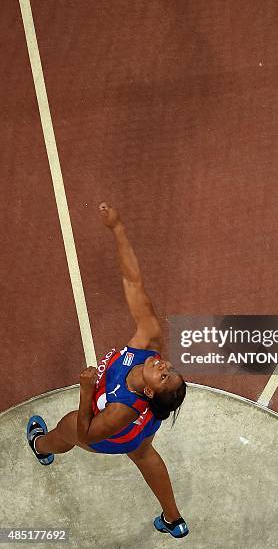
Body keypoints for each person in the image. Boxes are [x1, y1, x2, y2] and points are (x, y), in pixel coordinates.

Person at [26, 203, 189, 539]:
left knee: (68, 428)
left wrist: (87, 389)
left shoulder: (120, 409)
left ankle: (40, 447)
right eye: (169, 368)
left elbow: (89, 434)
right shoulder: (150, 340)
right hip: (145, 425)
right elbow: (134, 282)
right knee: (144, 453)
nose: (162, 363)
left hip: (114, 433)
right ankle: (173, 520)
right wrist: (118, 229)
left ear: (148, 392)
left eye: (162, 375)